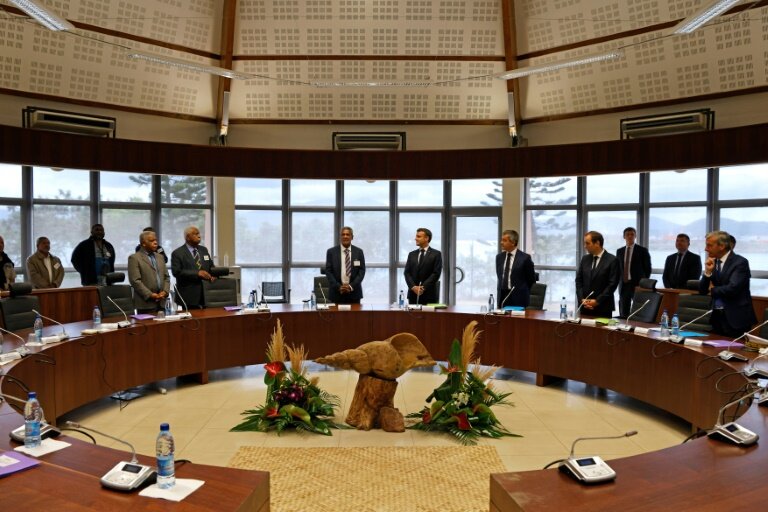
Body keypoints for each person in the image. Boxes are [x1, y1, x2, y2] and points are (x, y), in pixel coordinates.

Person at [698, 230, 757, 337]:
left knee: (733, 352)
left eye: (709, 245)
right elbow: (702, 290)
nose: (705, 249)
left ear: (721, 246)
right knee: (714, 351)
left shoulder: (740, 262)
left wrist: (712, 290)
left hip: (736, 318)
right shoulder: (713, 262)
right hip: (717, 317)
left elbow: (732, 289)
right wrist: (707, 272)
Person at [575, 231, 620, 318]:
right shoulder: (585, 259)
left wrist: (597, 301)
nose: (585, 246)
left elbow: (612, 285)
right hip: (584, 306)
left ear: (597, 243)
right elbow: (578, 281)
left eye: (587, 243)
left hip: (603, 307)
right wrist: (582, 300)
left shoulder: (612, 260)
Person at [171, 226, 215, 308]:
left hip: (207, 294)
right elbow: (176, 272)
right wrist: (197, 273)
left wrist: (213, 275)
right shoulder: (178, 253)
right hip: (189, 296)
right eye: (196, 234)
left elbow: (211, 266)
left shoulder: (204, 250)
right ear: (188, 237)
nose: (199, 236)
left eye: (199, 234)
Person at [128, 231, 171, 313]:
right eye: (152, 241)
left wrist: (165, 292)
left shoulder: (160, 257)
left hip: (162, 302)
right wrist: (150, 295)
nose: (155, 243)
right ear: (143, 243)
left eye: (156, 240)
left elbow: (166, 277)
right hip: (146, 304)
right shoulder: (134, 258)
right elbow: (135, 281)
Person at [495, 229, 536, 308]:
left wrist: (522, 290)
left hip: (519, 297)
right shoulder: (499, 257)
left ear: (513, 242)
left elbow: (531, 280)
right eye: (501, 240)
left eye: (504, 240)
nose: (501, 242)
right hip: (502, 296)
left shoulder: (525, 258)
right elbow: (499, 276)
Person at [324, 226, 366, 304]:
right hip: (336, 293)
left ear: (352, 237)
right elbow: (328, 271)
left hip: (354, 293)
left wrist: (350, 286)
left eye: (347, 234)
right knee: (336, 316)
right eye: (343, 234)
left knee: (354, 316)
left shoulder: (359, 252)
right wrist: (339, 287)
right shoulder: (331, 252)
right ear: (340, 237)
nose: (345, 236)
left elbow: (362, 271)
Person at [616, 227, 651, 318]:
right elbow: (618, 268)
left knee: (639, 310)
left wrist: (642, 283)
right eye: (627, 234)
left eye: (632, 234)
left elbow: (648, 269)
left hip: (637, 285)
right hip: (624, 285)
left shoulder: (642, 250)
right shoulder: (619, 251)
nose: (630, 236)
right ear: (624, 237)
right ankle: (623, 327)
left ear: (635, 236)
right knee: (624, 310)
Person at [403, 228, 443, 305]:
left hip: (429, 295)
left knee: (429, 317)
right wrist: (414, 287)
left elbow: (436, 273)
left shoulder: (436, 254)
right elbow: (407, 273)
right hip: (413, 295)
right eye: (416, 236)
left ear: (426, 238)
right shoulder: (411, 254)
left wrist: (422, 288)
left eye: (418, 236)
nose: (415, 238)